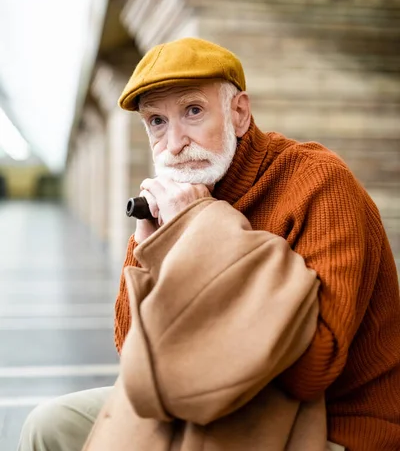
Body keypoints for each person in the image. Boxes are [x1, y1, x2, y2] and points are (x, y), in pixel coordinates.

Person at [19, 37, 400, 451]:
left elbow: (312, 370)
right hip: (217, 399)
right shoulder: (183, 192)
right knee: (49, 426)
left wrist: (202, 226)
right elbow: (136, 357)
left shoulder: (319, 184)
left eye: (193, 111)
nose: (175, 143)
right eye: (156, 122)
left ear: (239, 114)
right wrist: (150, 250)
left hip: (330, 422)